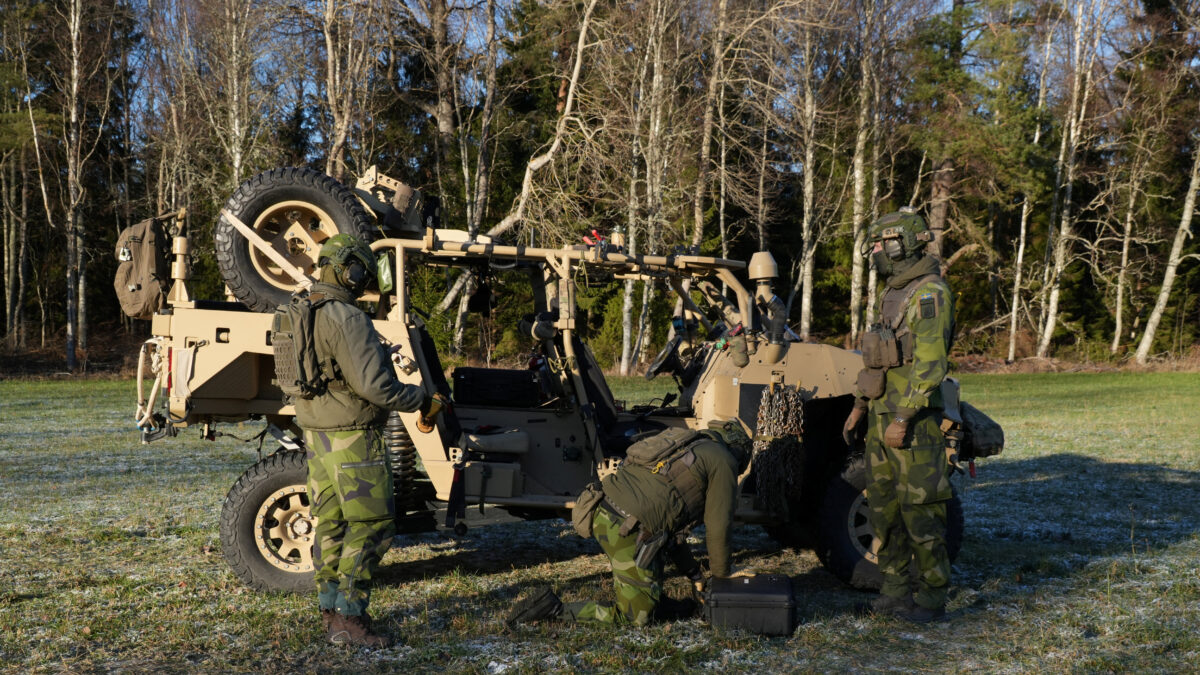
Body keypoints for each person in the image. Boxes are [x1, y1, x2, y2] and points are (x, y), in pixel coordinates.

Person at [292, 233, 439, 647]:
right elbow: (377, 388)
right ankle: (350, 618)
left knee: (333, 524)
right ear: (349, 269)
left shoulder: (298, 310)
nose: (363, 280)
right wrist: (422, 400)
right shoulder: (346, 317)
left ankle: (329, 610)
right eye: (361, 271)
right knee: (372, 525)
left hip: (317, 436)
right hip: (353, 437)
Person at [506, 421, 749, 627]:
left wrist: (696, 576)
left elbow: (673, 535)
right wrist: (723, 576)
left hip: (604, 510)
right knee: (635, 618)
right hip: (626, 529)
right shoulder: (722, 459)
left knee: (649, 592)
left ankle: (658, 600)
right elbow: (719, 524)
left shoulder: (688, 444)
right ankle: (553, 611)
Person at [842, 208, 956, 624]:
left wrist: (904, 417)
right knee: (884, 511)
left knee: (921, 513)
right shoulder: (892, 293)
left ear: (900, 244)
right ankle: (892, 593)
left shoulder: (929, 294)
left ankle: (930, 599)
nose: (873, 252)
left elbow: (930, 365)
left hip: (912, 426)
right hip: (879, 417)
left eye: (879, 243)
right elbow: (876, 359)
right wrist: (858, 407)